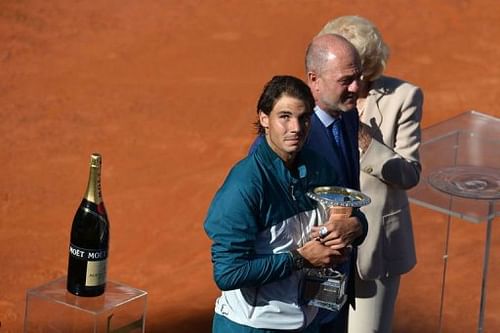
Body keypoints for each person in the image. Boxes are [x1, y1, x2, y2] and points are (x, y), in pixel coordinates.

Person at [204, 75, 368, 333]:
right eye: (285, 116)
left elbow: (351, 212)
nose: (296, 128)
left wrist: (354, 226)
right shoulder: (244, 186)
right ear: (264, 119)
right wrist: (299, 259)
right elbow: (228, 273)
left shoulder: (320, 169)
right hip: (252, 327)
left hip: (307, 321)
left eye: (304, 118)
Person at [318, 15, 423, 333]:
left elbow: (409, 173)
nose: (347, 81)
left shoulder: (403, 98)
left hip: (375, 250)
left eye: (354, 69)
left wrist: (365, 140)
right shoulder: (319, 96)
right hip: (326, 246)